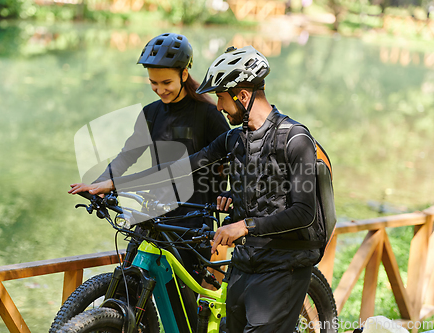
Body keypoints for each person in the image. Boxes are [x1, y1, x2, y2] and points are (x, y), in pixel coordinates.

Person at [81, 45, 324, 333]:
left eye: (222, 97)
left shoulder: (296, 140)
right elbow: (178, 169)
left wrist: (244, 226)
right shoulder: (235, 140)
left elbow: (304, 213)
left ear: (242, 95)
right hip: (245, 263)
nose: (218, 106)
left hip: (285, 265)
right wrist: (116, 182)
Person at [69, 32, 230, 283]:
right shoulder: (151, 113)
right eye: (153, 83)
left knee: (186, 297)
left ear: (184, 74)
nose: (159, 90)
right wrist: (100, 184)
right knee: (132, 282)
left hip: (193, 220)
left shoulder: (208, 114)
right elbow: (128, 155)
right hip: (156, 214)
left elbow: (233, 161)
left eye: (166, 82)